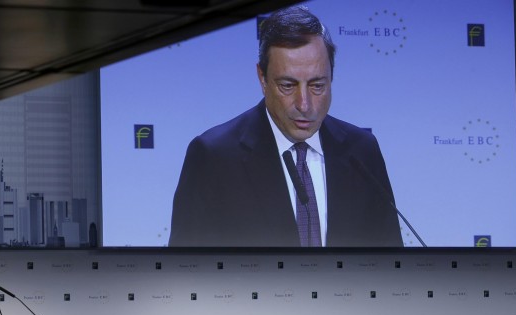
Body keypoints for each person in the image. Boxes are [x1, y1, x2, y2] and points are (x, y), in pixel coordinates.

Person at [169, 5, 403, 247]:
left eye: (317, 85)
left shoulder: (362, 150)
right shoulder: (213, 156)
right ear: (262, 78)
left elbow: (391, 258)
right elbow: (187, 269)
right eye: (288, 86)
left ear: (332, 77)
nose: (304, 104)